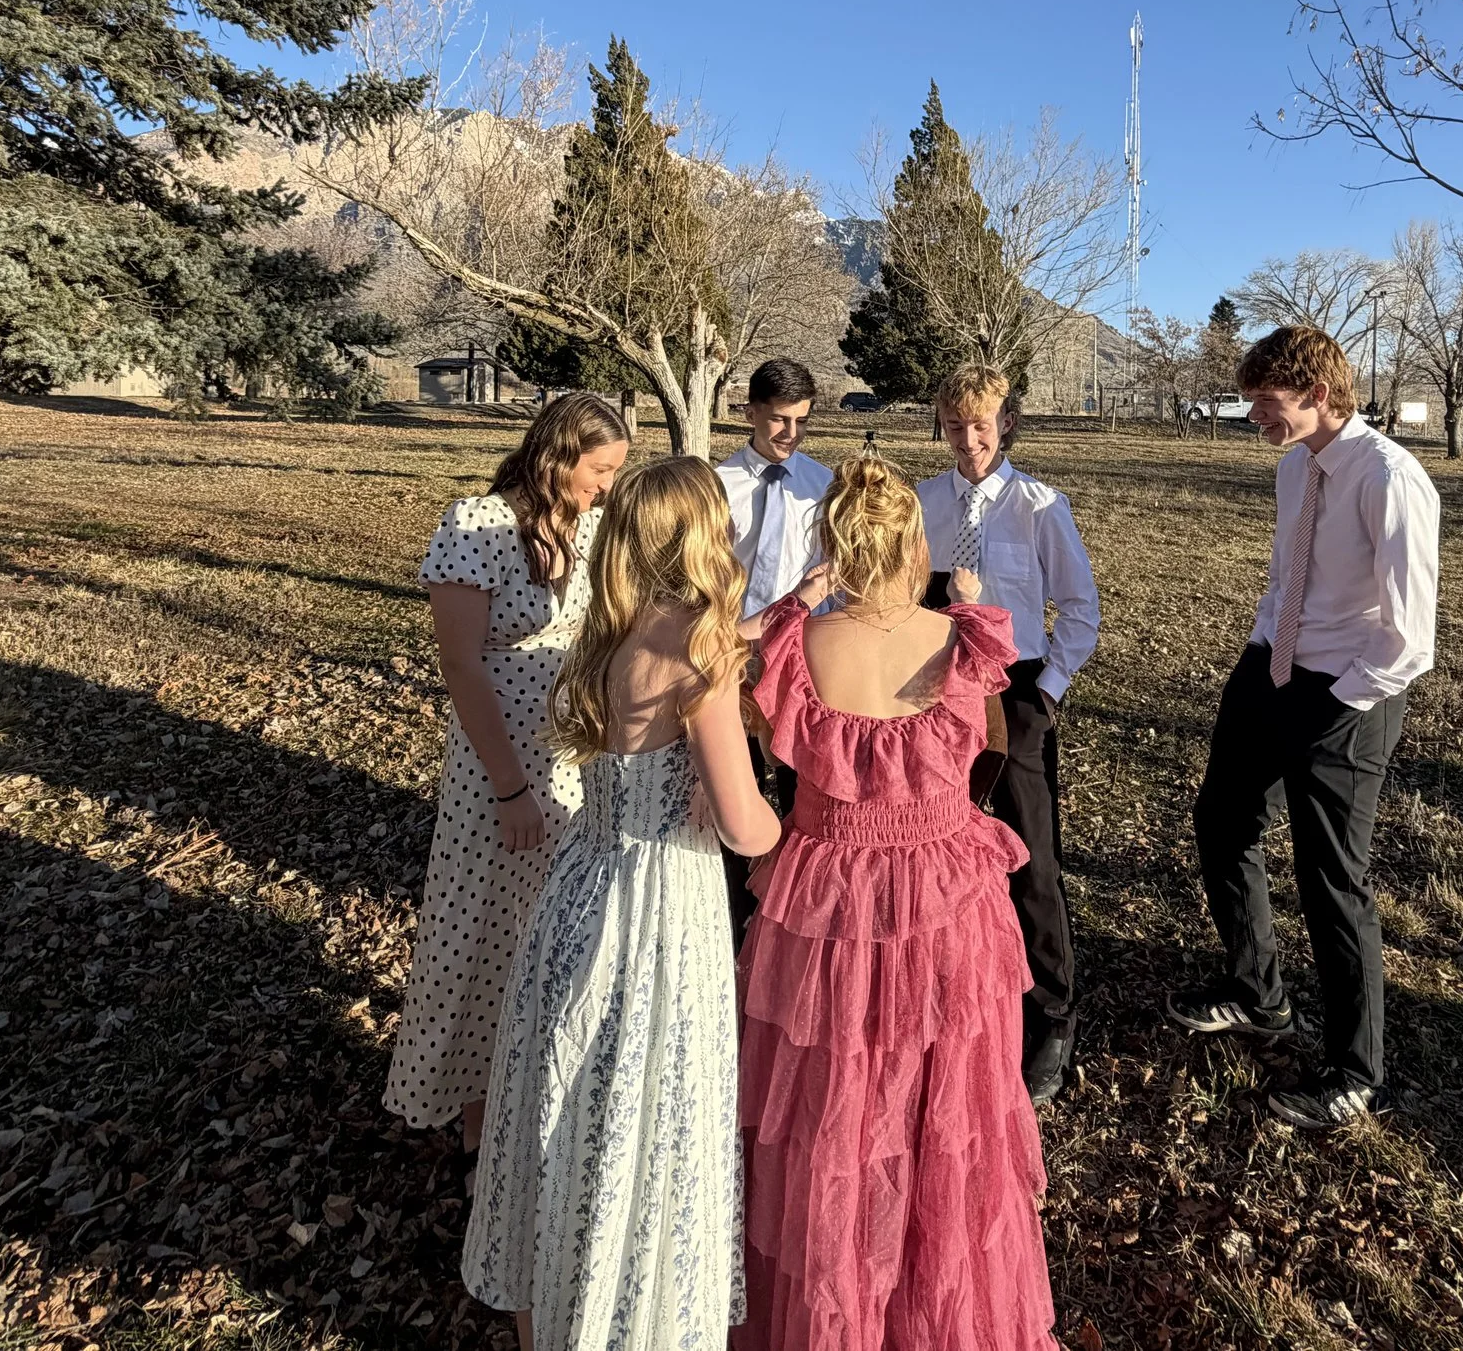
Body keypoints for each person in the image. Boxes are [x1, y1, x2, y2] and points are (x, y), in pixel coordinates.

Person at [734, 452, 1057, 1351]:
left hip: (828, 907)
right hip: (946, 899)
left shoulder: (792, 648)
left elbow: (724, 662)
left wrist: (801, 596)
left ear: (832, 544)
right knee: (944, 1102)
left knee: (835, 1109)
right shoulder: (966, 639)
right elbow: (987, 754)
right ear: (914, 541)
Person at [462, 457, 782, 1350]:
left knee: (566, 1103)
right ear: (701, 535)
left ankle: (552, 1311)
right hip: (659, 908)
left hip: (578, 890)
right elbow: (741, 823)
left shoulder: (607, 634)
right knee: (647, 1111)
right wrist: (783, 827)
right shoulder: (700, 654)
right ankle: (629, 1313)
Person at [1164, 325, 1439, 1130]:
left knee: (1331, 878)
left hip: (1352, 692)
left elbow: (1409, 632)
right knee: (1222, 820)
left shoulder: (1390, 477)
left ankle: (1357, 1071)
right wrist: (1262, 651)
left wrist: (1339, 699)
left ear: (1318, 393)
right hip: (1272, 671)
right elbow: (1290, 573)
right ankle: (1258, 994)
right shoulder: (1296, 468)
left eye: (1265, 400)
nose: (1254, 414)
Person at [382, 391, 630, 1159]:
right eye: (600, 470)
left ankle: (536, 1098)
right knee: (483, 935)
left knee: (552, 937)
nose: (608, 487)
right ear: (557, 457)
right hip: (501, 768)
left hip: (574, 762)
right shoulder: (476, 525)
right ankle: (475, 1115)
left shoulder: (589, 528)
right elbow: (460, 665)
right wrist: (509, 788)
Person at [914, 363, 1100, 1105]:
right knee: (942, 843)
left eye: (981, 425)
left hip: (1016, 690)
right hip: (937, 688)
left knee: (1031, 853)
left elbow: (1079, 609)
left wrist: (1045, 695)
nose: (968, 441)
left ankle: (1052, 1009)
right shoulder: (924, 501)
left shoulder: (1038, 505)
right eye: (955, 426)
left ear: (1007, 423)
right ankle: (956, 987)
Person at [715, 357, 835, 620]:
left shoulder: (827, 484)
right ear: (751, 414)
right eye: (780, 419)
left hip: (804, 634)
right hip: (732, 633)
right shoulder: (717, 485)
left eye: (801, 421)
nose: (791, 433)